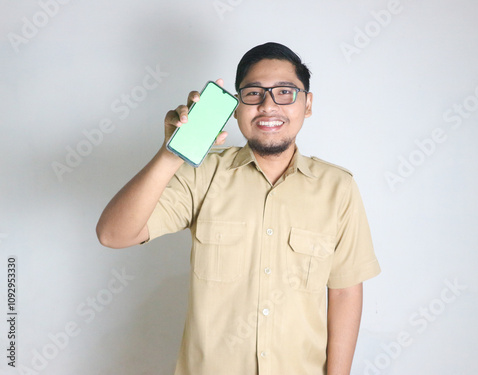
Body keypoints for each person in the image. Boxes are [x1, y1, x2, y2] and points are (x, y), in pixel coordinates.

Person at [96, 42, 381, 375]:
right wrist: (170, 155)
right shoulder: (201, 175)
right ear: (235, 106)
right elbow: (113, 234)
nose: (268, 105)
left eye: (285, 92)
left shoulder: (338, 188)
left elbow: (345, 292)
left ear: (308, 104)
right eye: (254, 93)